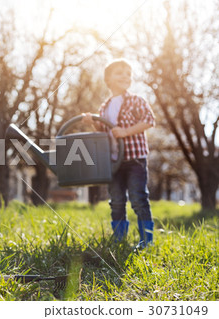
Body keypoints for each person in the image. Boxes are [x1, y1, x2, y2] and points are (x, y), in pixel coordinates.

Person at [82, 58, 156, 250]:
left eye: (128, 74)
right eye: (119, 73)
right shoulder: (104, 107)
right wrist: (92, 121)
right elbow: (102, 130)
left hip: (134, 160)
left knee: (138, 198)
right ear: (108, 79)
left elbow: (149, 120)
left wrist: (126, 131)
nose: (125, 77)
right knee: (116, 201)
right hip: (113, 161)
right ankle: (119, 240)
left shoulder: (136, 101)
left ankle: (146, 241)